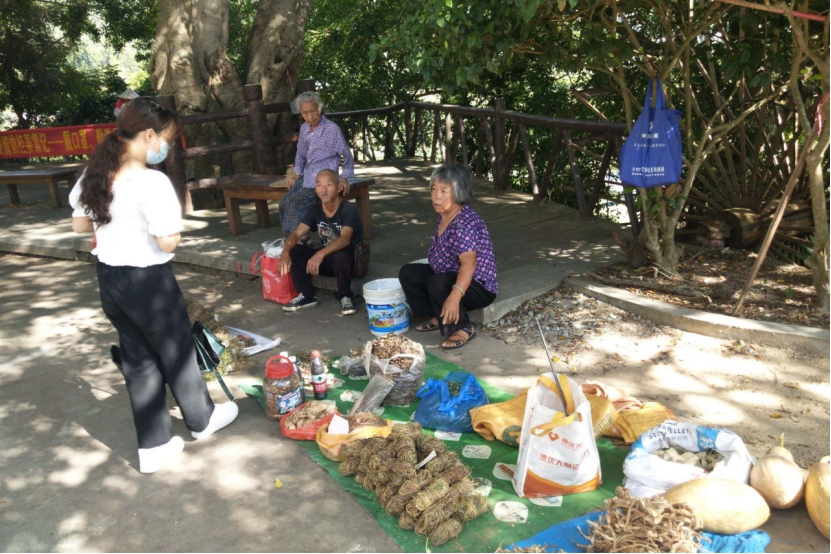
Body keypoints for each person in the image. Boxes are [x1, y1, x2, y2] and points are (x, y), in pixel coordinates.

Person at [69, 98, 238, 475]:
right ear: (148, 135)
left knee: (138, 360)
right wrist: (171, 231)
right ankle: (202, 419)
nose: (168, 147)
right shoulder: (151, 181)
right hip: (148, 282)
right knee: (176, 351)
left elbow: (79, 225)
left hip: (110, 279)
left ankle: (154, 446)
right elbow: (167, 242)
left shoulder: (96, 171)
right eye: (168, 139)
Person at [399, 164, 499, 350]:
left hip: (478, 287)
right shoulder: (446, 213)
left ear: (458, 193)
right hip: (449, 274)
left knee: (438, 282)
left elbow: (469, 265)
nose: (436, 196)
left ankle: (462, 327)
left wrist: (454, 297)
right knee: (409, 273)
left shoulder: (464, 223)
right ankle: (439, 315)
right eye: (434, 189)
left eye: (444, 191)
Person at [279, 169, 363, 317]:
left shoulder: (348, 209)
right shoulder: (316, 209)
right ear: (315, 189)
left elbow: (345, 239)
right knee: (295, 251)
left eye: (329, 185)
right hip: (325, 260)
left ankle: (346, 296)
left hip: (348, 263)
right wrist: (285, 252)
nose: (323, 190)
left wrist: (320, 254)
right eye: (319, 185)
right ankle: (306, 296)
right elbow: (296, 233)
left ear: (339, 188)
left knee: (340, 255)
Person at [280, 92, 355, 236]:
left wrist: (345, 178)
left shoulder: (332, 129)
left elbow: (347, 155)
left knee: (293, 204)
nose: (310, 116)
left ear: (319, 109)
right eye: (305, 113)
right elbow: (301, 153)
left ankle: (298, 239)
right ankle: (301, 237)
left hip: (324, 177)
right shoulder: (304, 128)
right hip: (308, 175)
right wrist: (296, 173)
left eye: (313, 111)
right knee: (283, 203)